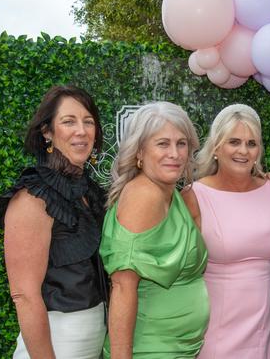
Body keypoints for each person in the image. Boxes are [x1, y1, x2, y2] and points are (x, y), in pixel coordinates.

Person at [0, 85, 108, 359]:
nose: (82, 131)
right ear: (47, 132)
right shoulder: (32, 197)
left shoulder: (90, 192)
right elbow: (24, 295)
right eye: (69, 121)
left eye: (88, 121)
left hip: (95, 342)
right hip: (56, 346)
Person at [181, 104, 270, 359]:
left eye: (251, 143)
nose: (243, 150)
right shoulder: (194, 196)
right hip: (218, 323)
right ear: (217, 147)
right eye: (234, 142)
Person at [100, 101, 208, 358]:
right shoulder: (144, 195)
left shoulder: (169, 192)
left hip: (175, 348)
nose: (175, 153)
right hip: (149, 348)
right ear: (139, 152)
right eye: (163, 144)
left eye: (181, 143)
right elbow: (123, 287)